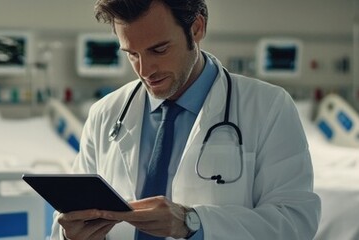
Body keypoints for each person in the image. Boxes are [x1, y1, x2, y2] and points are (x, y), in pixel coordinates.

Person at [52, 0, 321, 239]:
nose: (145, 70)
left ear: (196, 29)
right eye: (132, 54)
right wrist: (70, 236)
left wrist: (192, 223)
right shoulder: (105, 114)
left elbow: (294, 222)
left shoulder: (267, 106)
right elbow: (70, 218)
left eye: (159, 50)